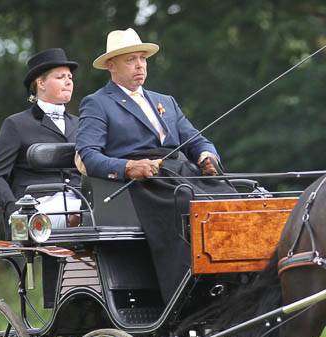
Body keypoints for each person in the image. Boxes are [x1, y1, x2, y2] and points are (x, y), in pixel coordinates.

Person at [76, 28, 236, 302]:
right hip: (142, 183)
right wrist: (129, 167)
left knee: (234, 195)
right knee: (187, 203)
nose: (140, 65)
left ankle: (239, 277)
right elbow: (88, 156)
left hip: (181, 172)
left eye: (143, 58)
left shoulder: (166, 101)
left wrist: (206, 157)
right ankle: (190, 294)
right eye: (131, 60)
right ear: (111, 66)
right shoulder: (97, 103)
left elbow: (197, 140)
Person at [0, 47, 81, 228]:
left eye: (70, 77)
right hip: (38, 206)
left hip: (80, 200)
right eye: (60, 77)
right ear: (41, 83)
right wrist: (13, 209)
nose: (68, 82)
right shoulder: (16, 124)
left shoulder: (80, 124)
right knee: (79, 216)